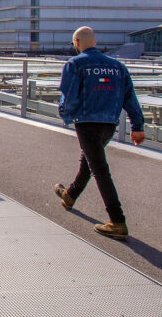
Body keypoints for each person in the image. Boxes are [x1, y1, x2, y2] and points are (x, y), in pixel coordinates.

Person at [55, 26, 145, 240]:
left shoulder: (75, 64)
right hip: (109, 123)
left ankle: (117, 220)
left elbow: (68, 96)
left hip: (86, 122)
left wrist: (64, 114)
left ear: (76, 43)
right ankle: (69, 196)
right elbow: (130, 98)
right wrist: (137, 126)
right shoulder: (117, 66)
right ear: (94, 42)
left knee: (100, 169)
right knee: (89, 161)